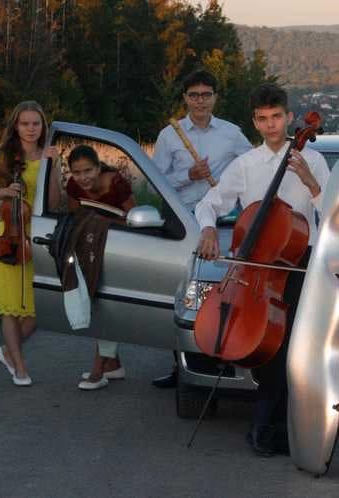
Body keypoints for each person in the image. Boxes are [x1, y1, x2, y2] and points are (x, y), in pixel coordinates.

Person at [194, 83, 330, 456]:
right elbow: (209, 203)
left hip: (299, 264)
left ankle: (272, 425)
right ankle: (270, 427)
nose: (271, 125)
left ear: (289, 117)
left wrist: (310, 182)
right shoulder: (245, 165)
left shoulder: (313, 160)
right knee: (271, 347)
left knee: (292, 347)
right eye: (263, 119)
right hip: (255, 267)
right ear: (254, 122)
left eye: (277, 117)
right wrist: (208, 228)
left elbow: (336, 214)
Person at [151, 68, 252, 388]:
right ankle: (179, 365)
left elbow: (253, 168)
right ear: (185, 98)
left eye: (206, 95)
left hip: (221, 220)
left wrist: (230, 186)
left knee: (218, 288)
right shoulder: (170, 135)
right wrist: (189, 176)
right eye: (194, 95)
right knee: (181, 290)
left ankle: (222, 358)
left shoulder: (232, 134)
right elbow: (156, 182)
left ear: (215, 97)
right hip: (183, 219)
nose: (200, 101)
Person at [0, 100, 57, 386]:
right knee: (11, 306)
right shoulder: (3, 157)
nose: (31, 129)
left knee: (41, 308)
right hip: (10, 234)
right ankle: (20, 367)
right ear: (16, 126)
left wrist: (52, 166)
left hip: (37, 236)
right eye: (25, 123)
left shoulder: (49, 156)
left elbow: (54, 202)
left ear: (43, 126)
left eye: (36, 123)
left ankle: (9, 352)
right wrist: (5, 191)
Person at [54, 144, 136, 390]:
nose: (83, 177)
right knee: (97, 302)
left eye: (88, 171)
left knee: (107, 306)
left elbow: (133, 218)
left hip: (117, 248)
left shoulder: (116, 183)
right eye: (77, 172)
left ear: (98, 168)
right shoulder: (73, 186)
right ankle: (113, 366)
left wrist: (105, 223)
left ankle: (98, 371)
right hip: (91, 249)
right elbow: (77, 219)